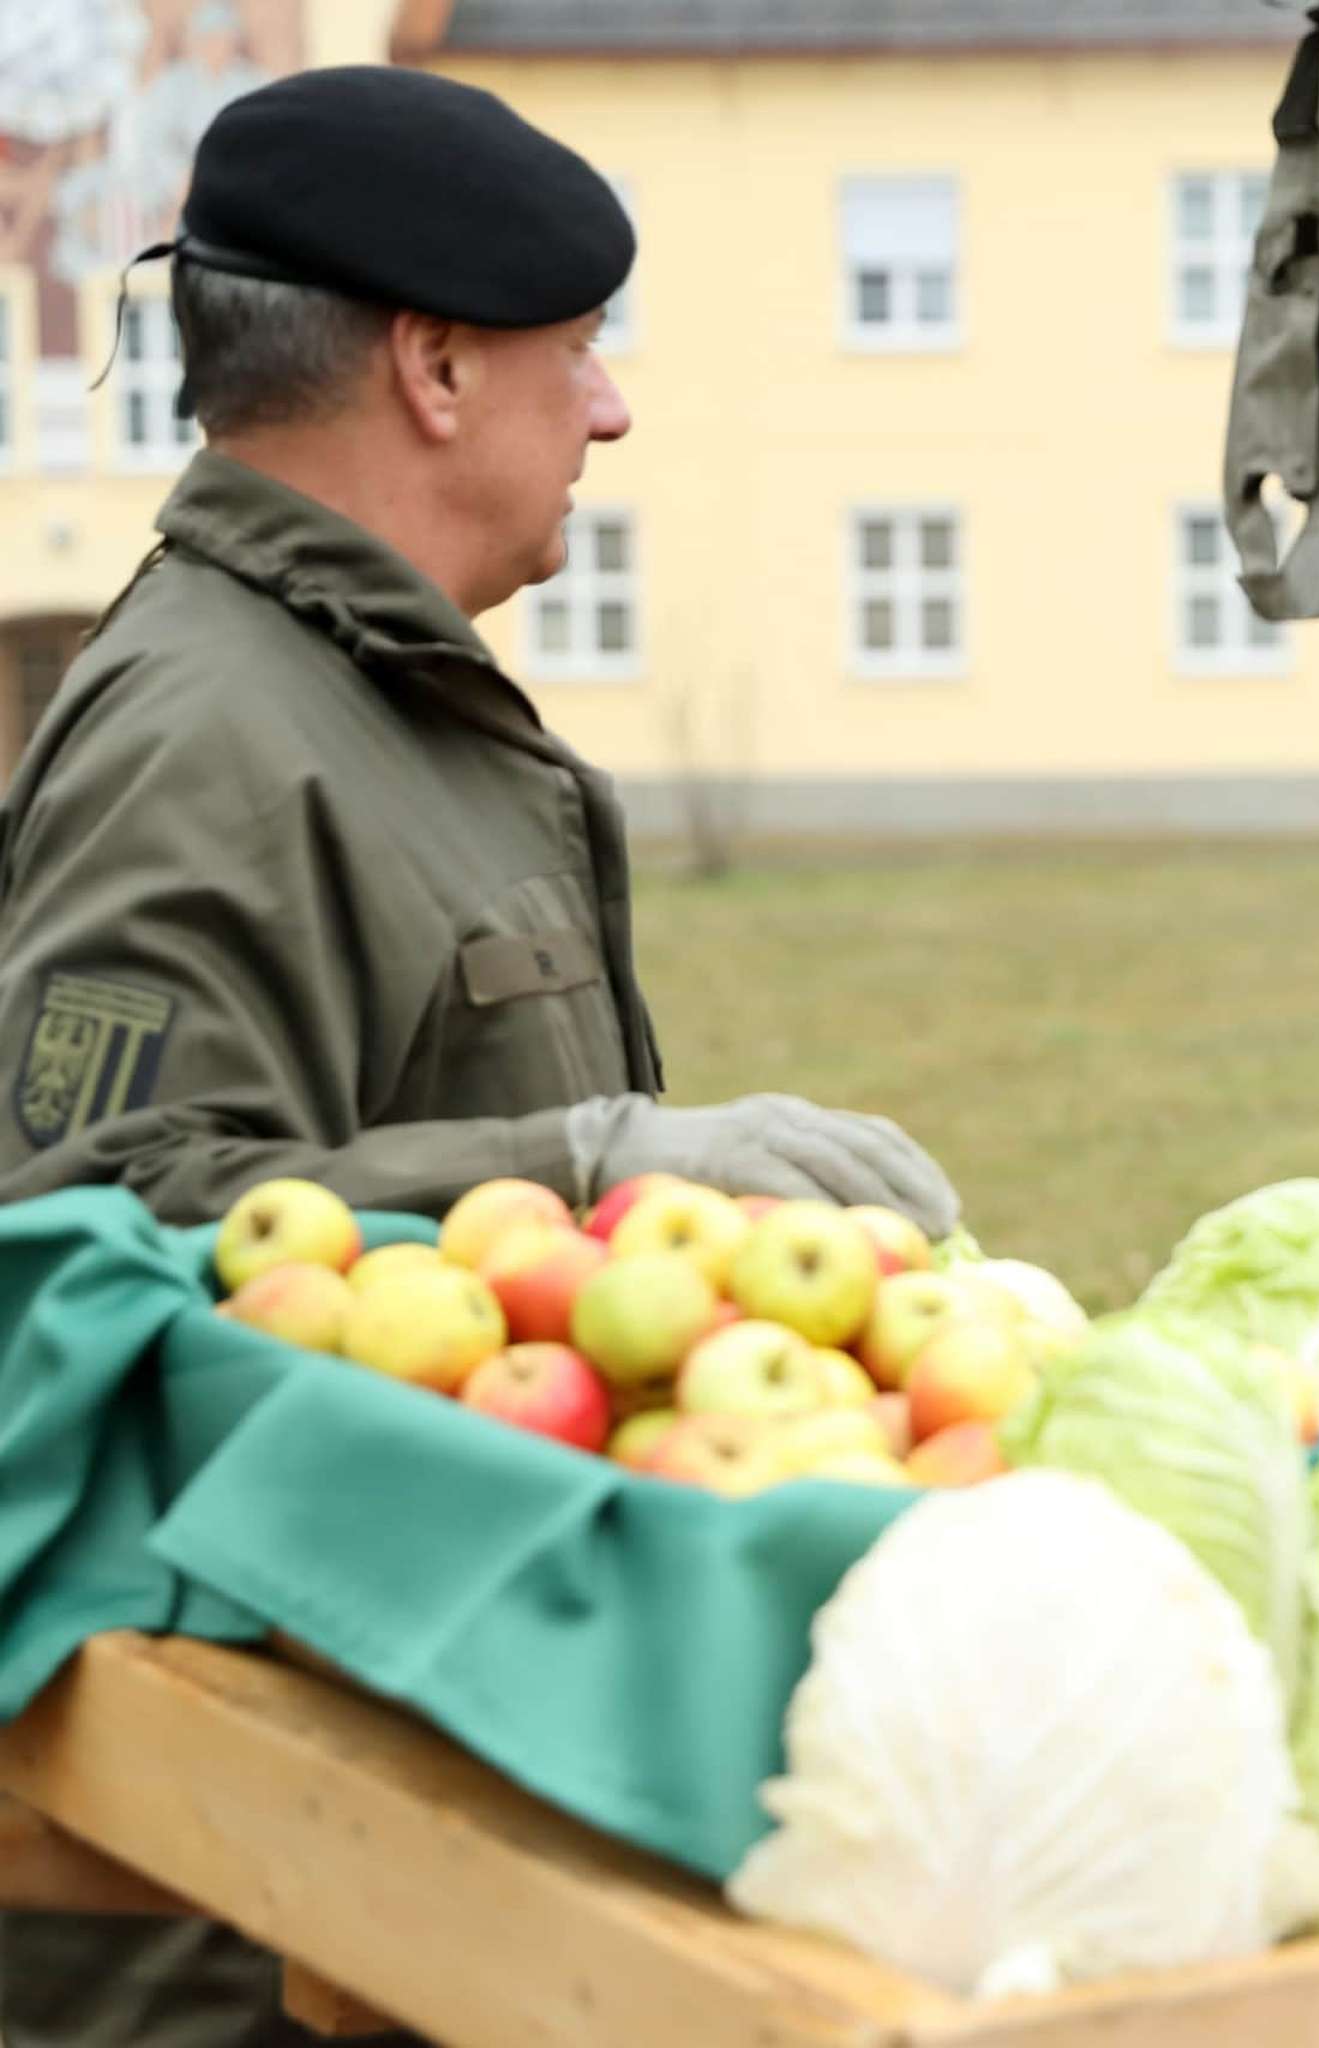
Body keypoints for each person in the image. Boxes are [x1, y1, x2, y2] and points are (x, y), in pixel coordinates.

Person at [0, 66, 956, 2047]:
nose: (608, 408)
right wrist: (592, 1160)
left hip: (384, 1797)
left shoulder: (357, 684)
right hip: (244, 1909)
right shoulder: (207, 732)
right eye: (576, 347)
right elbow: (66, 1237)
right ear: (434, 368)